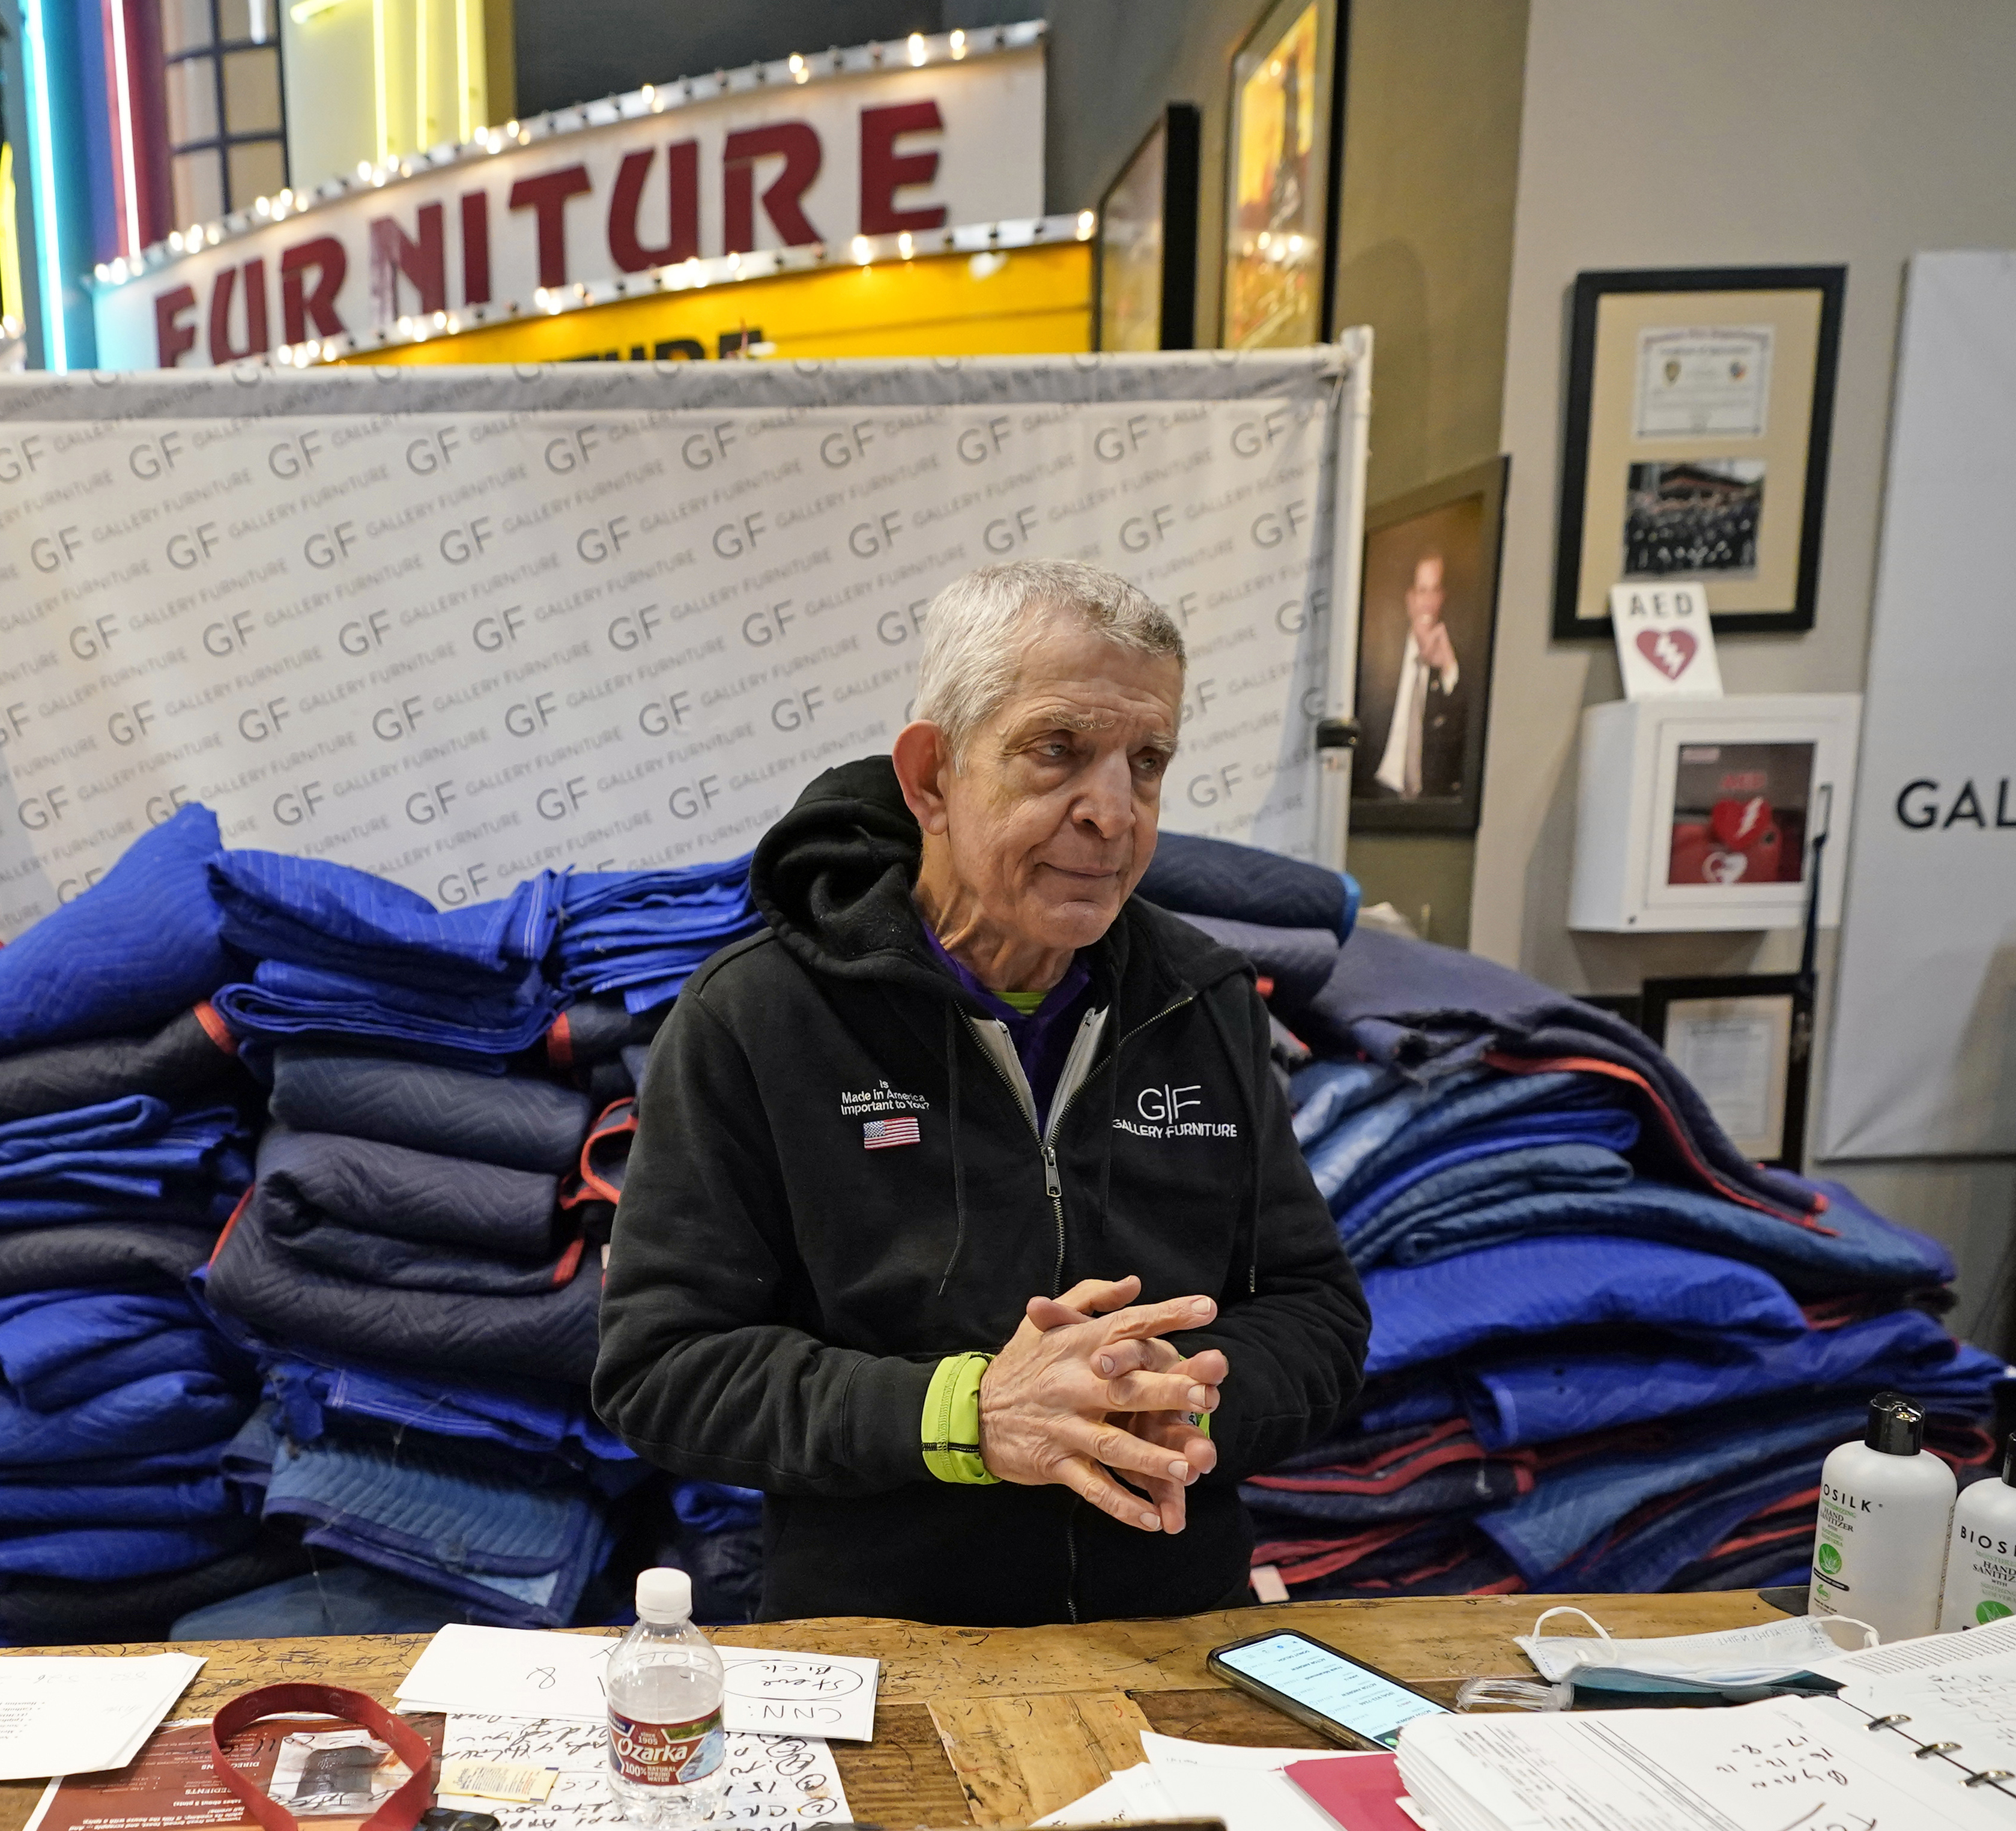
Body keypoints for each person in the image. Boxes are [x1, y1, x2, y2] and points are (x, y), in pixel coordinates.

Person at [593, 561, 1369, 1624]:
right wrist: (967, 1414)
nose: (1111, 812)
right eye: (1057, 751)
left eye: (1145, 763)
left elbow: (1317, 1310)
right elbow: (662, 1368)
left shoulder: (1204, 1002)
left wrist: (1181, 1393)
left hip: (1179, 1635)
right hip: (882, 1651)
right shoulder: (758, 1019)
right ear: (929, 779)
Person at [1368, 551, 1469, 800]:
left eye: (1435, 592)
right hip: (1377, 790)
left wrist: (1448, 669)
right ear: (1410, 598)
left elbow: (1459, 749)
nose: (1428, 603)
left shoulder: (1458, 657)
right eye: (1422, 591)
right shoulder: (1382, 653)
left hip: (1426, 803)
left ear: (1442, 598)